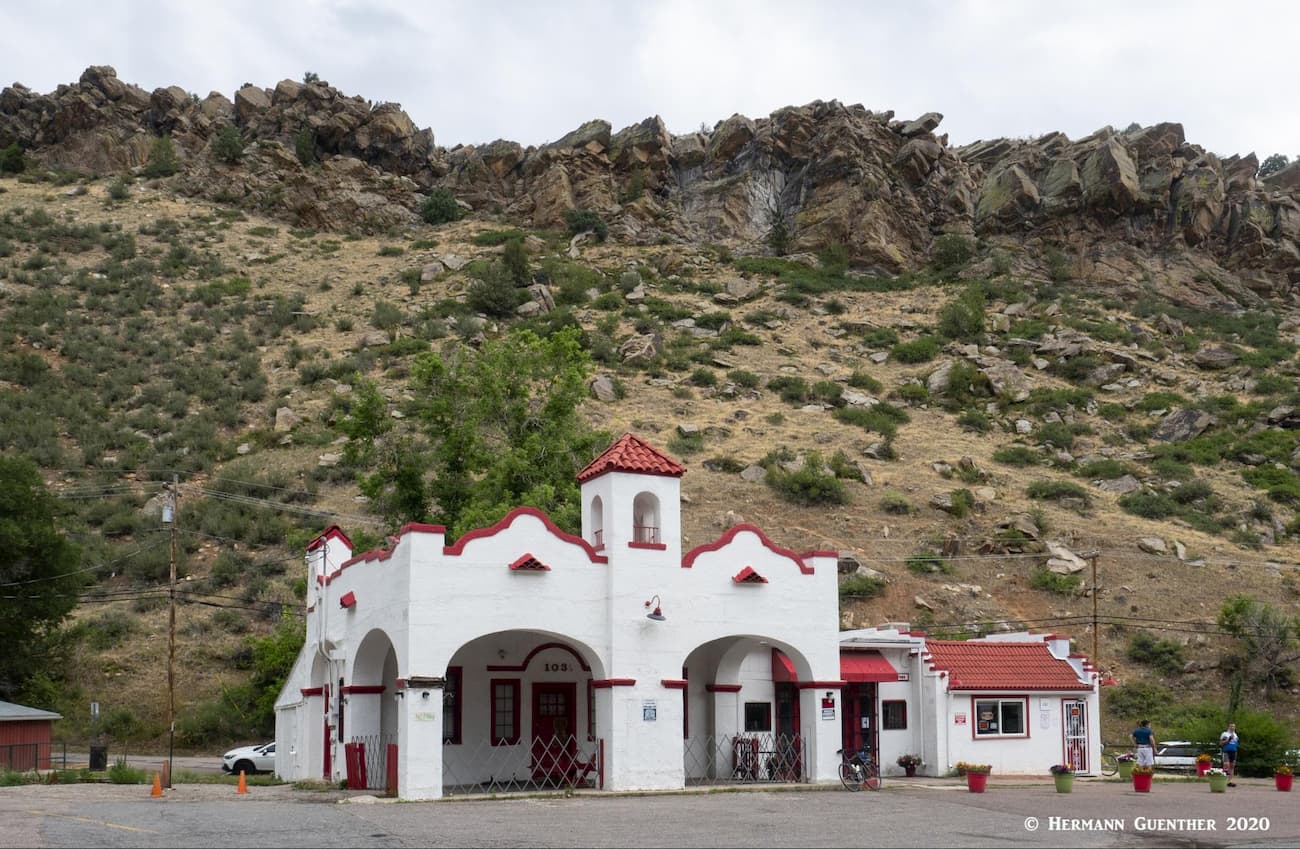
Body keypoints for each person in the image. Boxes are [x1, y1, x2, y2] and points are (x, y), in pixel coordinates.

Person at [1220, 722, 1239, 786]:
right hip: (1226, 751)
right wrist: (1228, 739)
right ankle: (1223, 780)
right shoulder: (1225, 734)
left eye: (1233, 726)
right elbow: (1221, 743)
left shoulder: (1236, 735)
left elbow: (1236, 744)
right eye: (1231, 726)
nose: (1232, 728)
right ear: (1228, 727)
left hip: (1233, 752)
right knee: (1226, 765)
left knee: (1232, 766)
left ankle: (1230, 781)